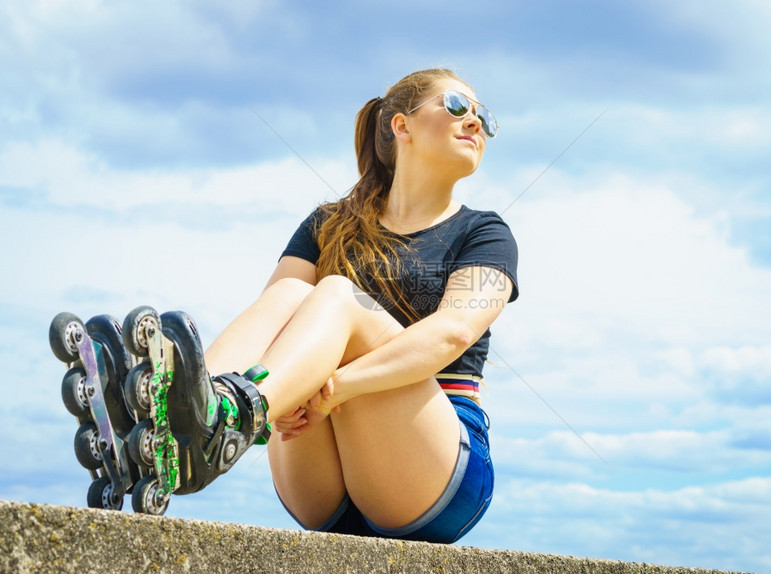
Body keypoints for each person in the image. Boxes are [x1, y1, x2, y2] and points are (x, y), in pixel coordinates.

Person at [160, 68, 519, 543]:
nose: (474, 122)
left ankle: (234, 413)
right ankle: (179, 419)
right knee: (291, 295)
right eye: (456, 106)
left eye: (483, 117)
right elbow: (272, 318)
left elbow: (452, 331)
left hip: (435, 469)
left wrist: (330, 388)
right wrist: (284, 388)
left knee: (334, 293)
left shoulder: (485, 233)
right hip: (320, 476)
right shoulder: (327, 224)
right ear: (401, 125)